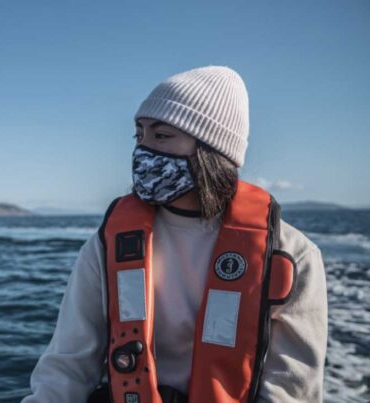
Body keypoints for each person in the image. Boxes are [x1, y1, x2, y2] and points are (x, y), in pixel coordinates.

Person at [22, 66, 327, 402]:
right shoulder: (108, 244)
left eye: (162, 136)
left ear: (213, 149)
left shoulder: (291, 254)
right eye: (139, 135)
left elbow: (291, 389)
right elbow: (66, 366)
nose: (143, 150)